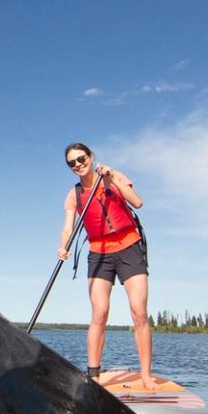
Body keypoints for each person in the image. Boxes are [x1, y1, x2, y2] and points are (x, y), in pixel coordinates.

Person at [56, 142, 156, 389]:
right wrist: (63, 246)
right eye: (72, 163)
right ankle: (93, 375)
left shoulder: (112, 176)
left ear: (91, 157)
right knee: (99, 313)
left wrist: (112, 179)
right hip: (98, 253)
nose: (78, 165)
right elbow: (68, 228)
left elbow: (137, 201)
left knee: (139, 311)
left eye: (81, 159)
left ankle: (145, 375)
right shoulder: (74, 195)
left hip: (129, 247)